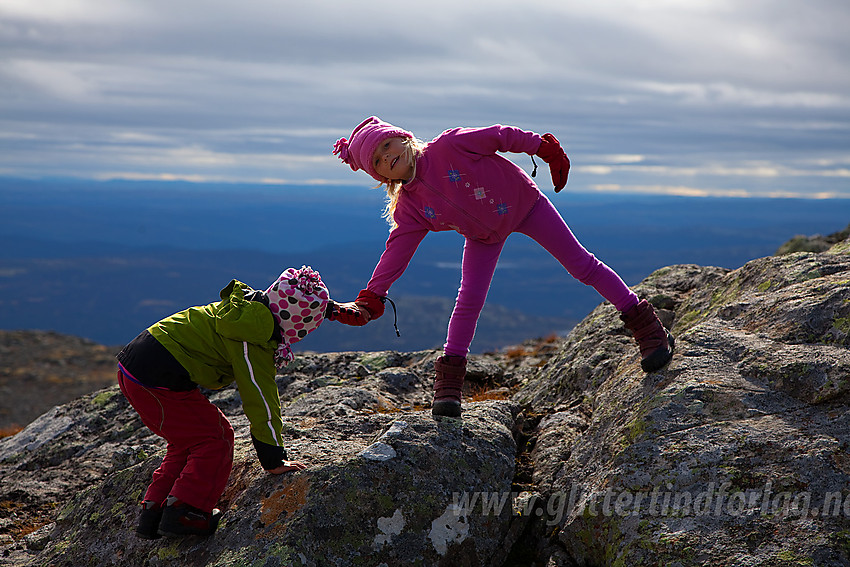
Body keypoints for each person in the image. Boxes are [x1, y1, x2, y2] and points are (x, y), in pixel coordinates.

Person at [331, 117, 674, 417]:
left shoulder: (450, 145)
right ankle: (449, 385)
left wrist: (542, 147)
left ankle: (648, 329)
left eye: (388, 144)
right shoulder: (410, 206)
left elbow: (500, 135)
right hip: (484, 236)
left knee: (583, 266)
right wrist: (372, 297)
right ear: (377, 174)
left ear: (404, 137)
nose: (388, 156)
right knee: (468, 301)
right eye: (378, 159)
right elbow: (396, 252)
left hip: (527, 205)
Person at [116, 266, 331, 538]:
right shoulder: (253, 340)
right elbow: (260, 398)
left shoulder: (250, 311)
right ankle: (187, 511)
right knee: (215, 437)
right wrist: (273, 458)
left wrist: (330, 308)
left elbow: (289, 303)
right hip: (156, 378)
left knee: (188, 440)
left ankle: (154, 513)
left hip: (139, 365)